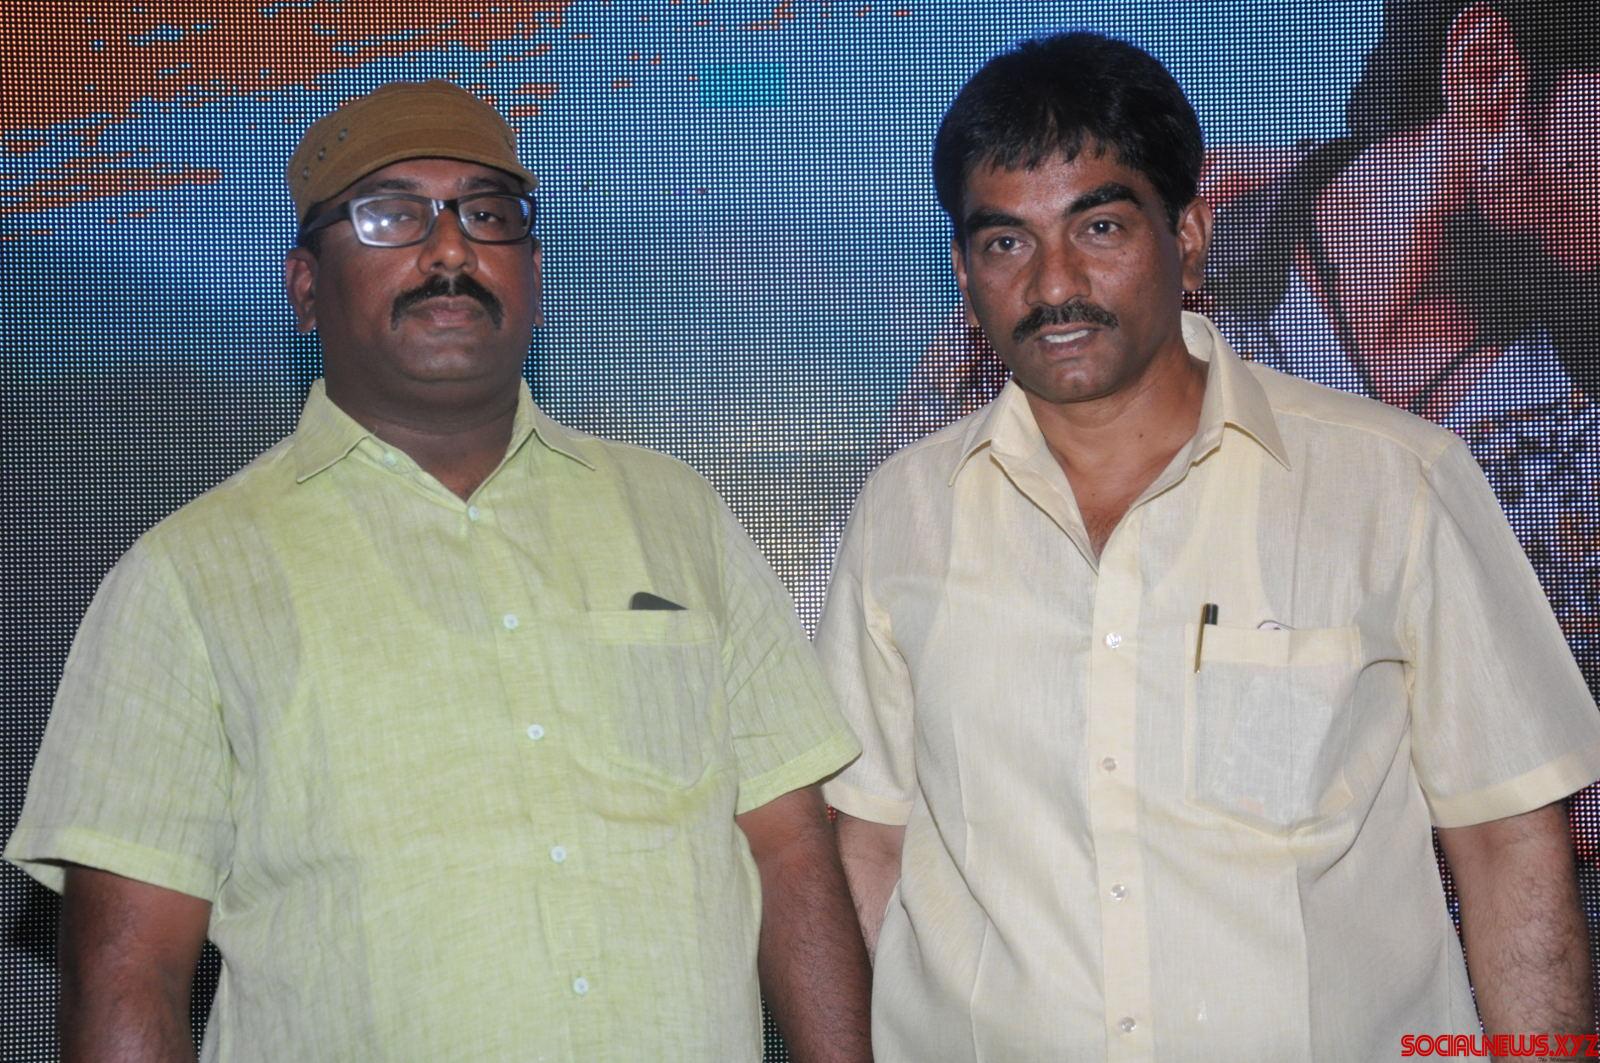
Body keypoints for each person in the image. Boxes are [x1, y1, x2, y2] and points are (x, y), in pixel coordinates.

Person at [5, 80, 871, 1062]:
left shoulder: (678, 517)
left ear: (534, 275)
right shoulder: (189, 577)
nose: (450, 252)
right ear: (304, 288)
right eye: (390, 216)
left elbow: (791, 852)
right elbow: (130, 967)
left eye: (487, 215)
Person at [819, 31, 1600, 1060]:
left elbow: (1508, 842)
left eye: (1099, 227)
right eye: (1006, 243)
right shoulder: (904, 515)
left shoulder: (1395, 485)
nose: (1054, 283)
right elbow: (871, 842)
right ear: (963, 272)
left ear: (1188, 236)